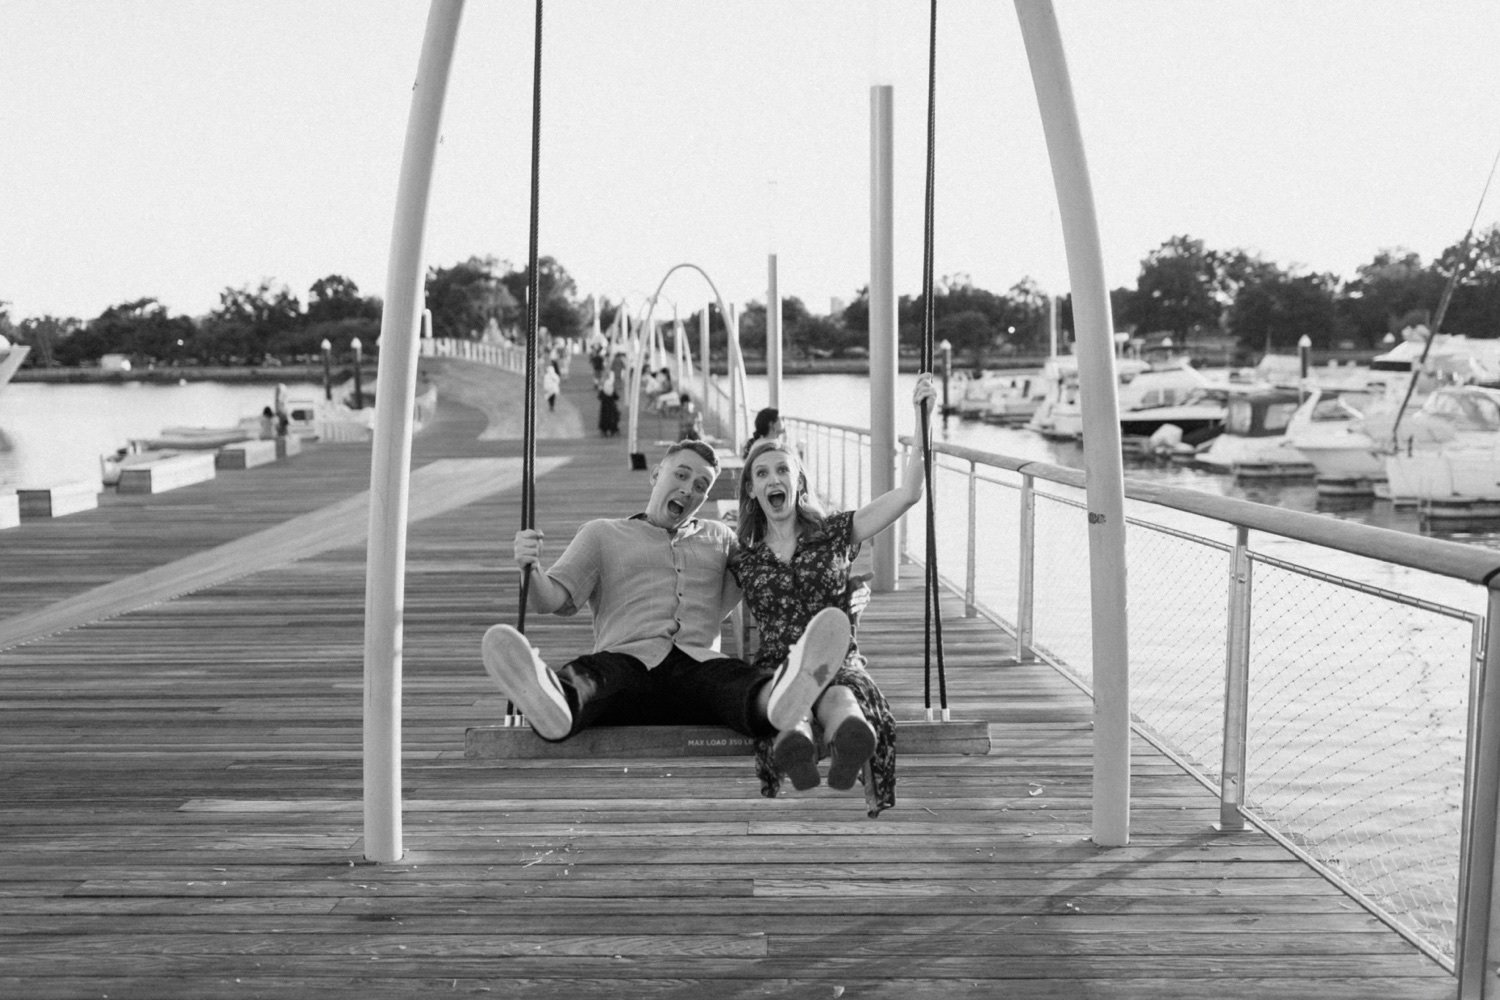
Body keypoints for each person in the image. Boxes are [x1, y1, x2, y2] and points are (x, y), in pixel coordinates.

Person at [481, 440, 853, 755]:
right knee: (592, 677)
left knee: (738, 682)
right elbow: (552, 601)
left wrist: (839, 583)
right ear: (656, 474)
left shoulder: (721, 539)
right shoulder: (601, 534)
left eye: (701, 485)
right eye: (681, 475)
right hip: (627, 662)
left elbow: (774, 570)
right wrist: (529, 568)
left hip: (699, 668)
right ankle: (553, 703)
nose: (689, 489)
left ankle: (779, 700)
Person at [731, 372, 938, 817]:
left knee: (842, 696)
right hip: (778, 669)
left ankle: (847, 747)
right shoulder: (741, 555)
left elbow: (907, 494)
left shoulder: (835, 532)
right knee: (789, 702)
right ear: (751, 490)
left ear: (799, 482)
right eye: (762, 473)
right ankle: (799, 745)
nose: (774, 479)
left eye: (783, 469)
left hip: (836, 660)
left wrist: (922, 423)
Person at [597, 372, 620, 437]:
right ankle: (613, 430)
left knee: (604, 419)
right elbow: (616, 397)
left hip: (604, 407)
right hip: (611, 406)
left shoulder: (603, 390)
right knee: (613, 418)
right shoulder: (612, 390)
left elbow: (599, 397)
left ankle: (604, 431)